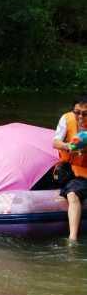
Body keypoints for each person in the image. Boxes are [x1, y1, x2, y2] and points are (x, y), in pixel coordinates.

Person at [53, 95, 87, 241]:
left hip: (84, 173)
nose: (80, 116)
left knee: (72, 194)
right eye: (77, 112)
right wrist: (68, 146)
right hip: (67, 169)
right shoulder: (66, 119)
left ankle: (72, 239)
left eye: (85, 114)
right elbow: (55, 143)